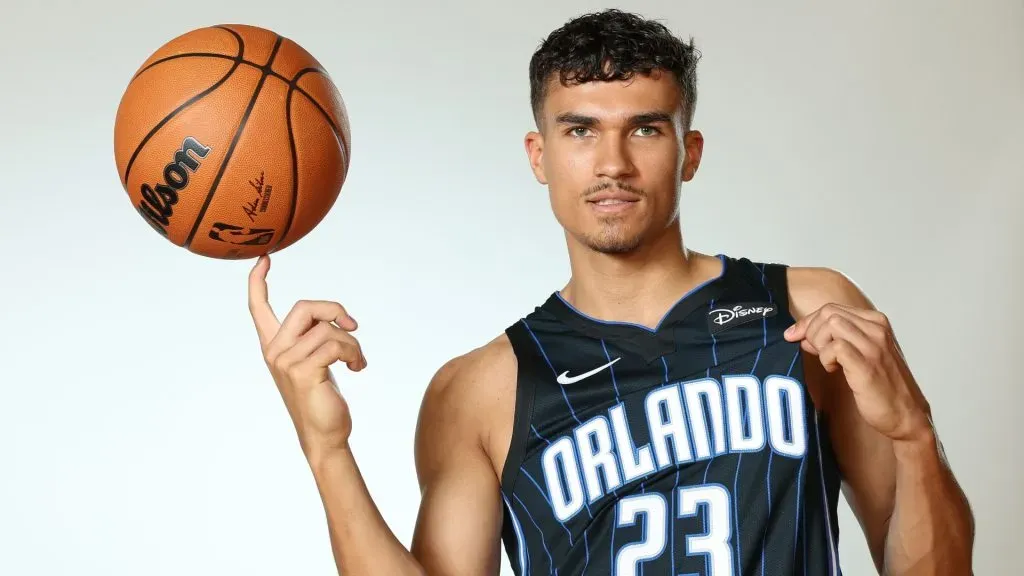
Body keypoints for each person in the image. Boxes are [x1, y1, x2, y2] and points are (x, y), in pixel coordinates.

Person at [245, 9, 974, 575]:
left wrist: (912, 431)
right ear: (540, 155)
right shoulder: (483, 390)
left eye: (646, 130)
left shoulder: (809, 313)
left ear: (688, 152)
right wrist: (325, 447)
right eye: (581, 130)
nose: (613, 164)